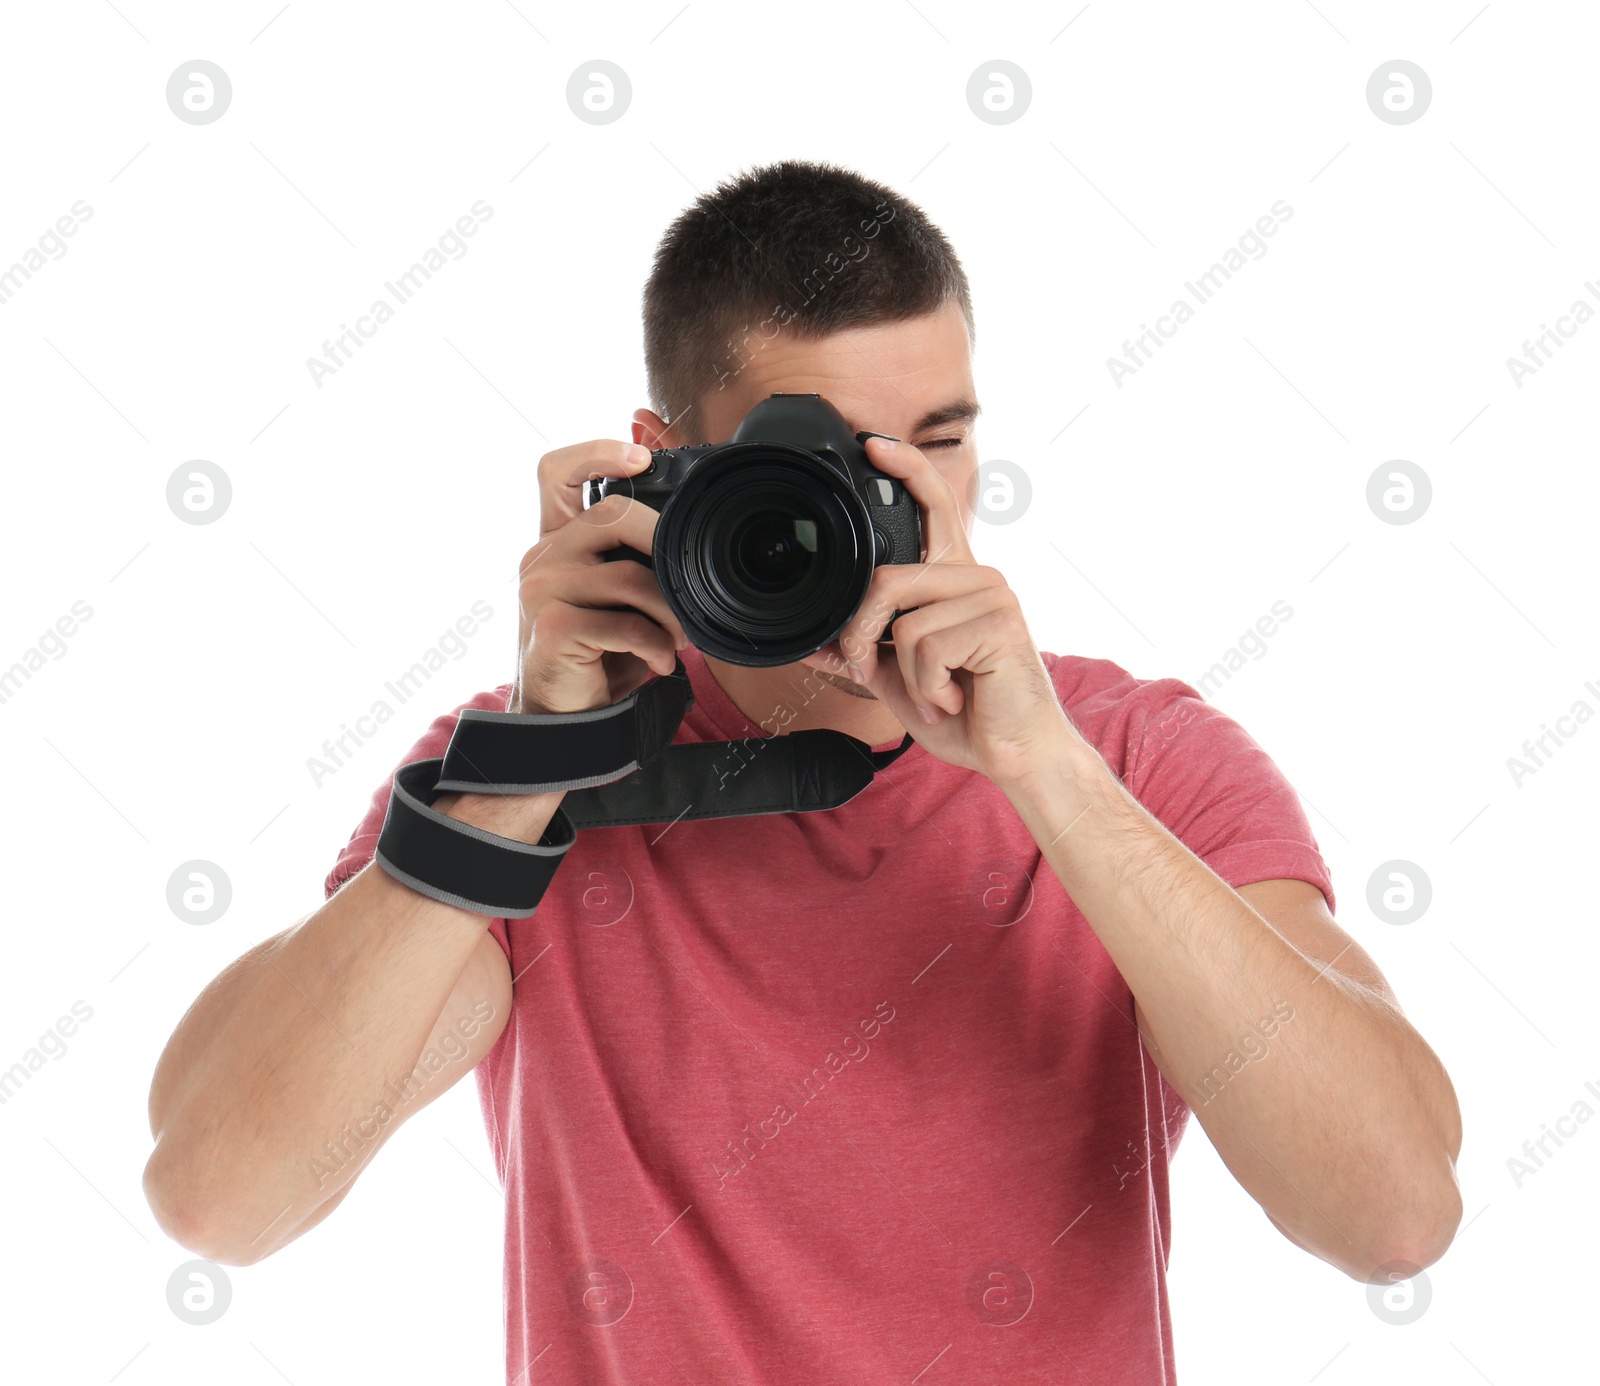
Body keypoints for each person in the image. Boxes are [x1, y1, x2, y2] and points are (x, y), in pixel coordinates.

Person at [143, 159, 1462, 1384]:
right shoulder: (530, 785)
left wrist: (1045, 772)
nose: (884, 518)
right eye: (820, 467)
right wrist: (525, 772)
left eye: (931, 445)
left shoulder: (1134, 762)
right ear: (668, 465)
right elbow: (222, 1193)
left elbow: (1394, 1217)